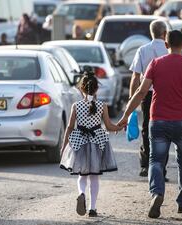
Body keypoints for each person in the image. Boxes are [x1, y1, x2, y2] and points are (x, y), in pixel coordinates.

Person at [118, 30, 182, 219]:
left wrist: (125, 115)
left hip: (158, 121)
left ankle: (157, 193)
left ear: (165, 44)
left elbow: (140, 92)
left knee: (156, 160)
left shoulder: (155, 64)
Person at [60, 69, 121, 217]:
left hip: (79, 142)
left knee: (82, 175)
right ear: (97, 89)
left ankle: (81, 194)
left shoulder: (76, 106)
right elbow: (109, 126)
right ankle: (92, 208)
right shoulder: (102, 105)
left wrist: (63, 147)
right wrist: (120, 127)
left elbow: (69, 127)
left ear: (81, 88)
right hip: (96, 143)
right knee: (94, 177)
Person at [129, 20, 169, 180]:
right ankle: (161, 168)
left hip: (146, 95)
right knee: (164, 131)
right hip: (166, 95)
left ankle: (145, 165)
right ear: (165, 33)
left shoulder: (142, 50)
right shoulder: (169, 49)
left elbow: (135, 77)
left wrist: (133, 99)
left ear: (151, 32)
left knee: (146, 128)